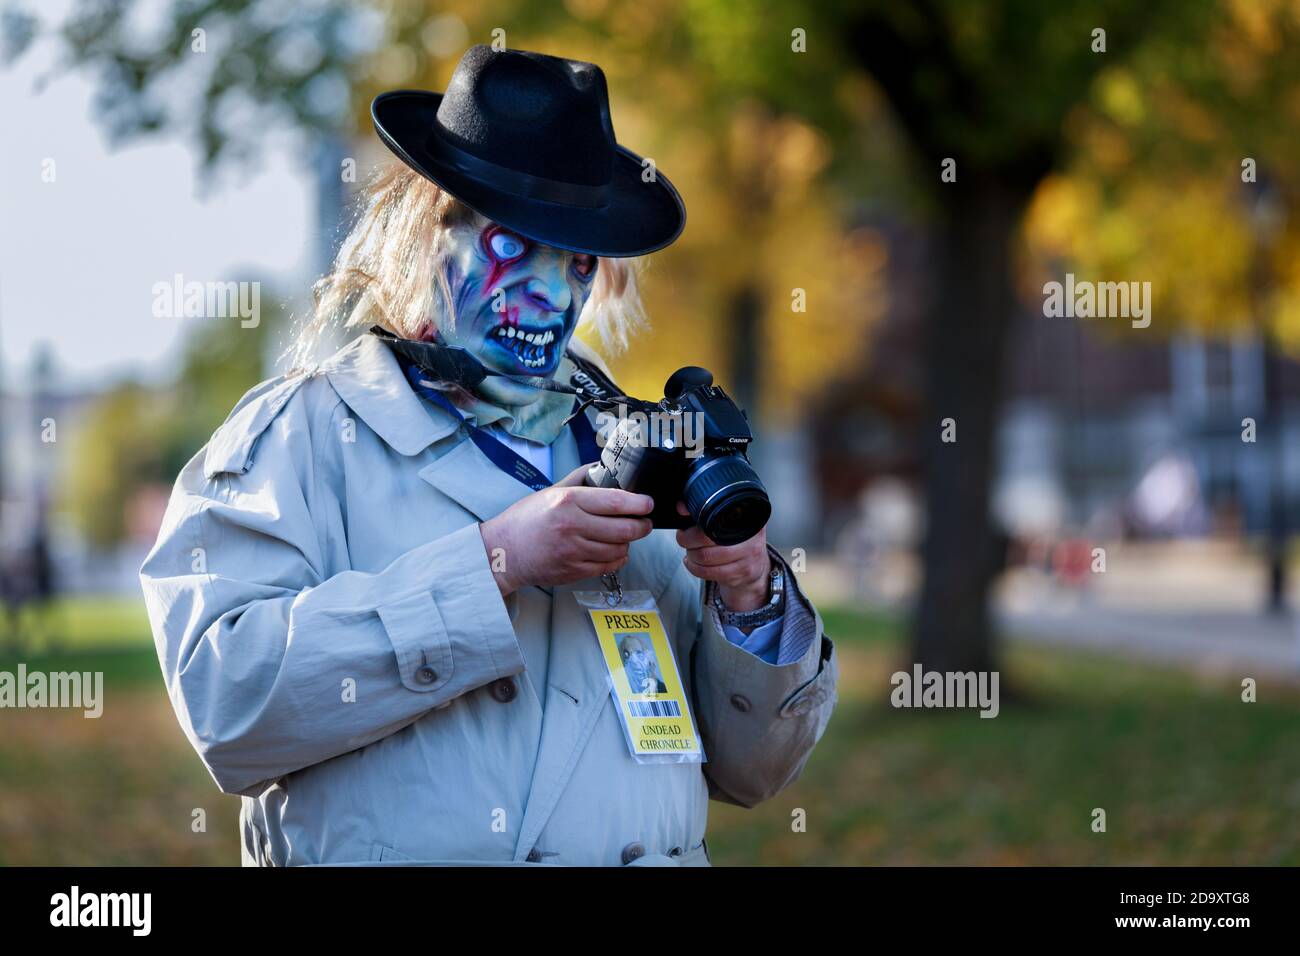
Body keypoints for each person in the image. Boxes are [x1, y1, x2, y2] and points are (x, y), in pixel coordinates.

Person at [140, 45, 837, 867]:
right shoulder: (297, 438)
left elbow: (753, 772)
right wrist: (495, 562)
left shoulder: (634, 446)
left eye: (578, 261)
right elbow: (230, 710)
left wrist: (748, 595)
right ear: (423, 234)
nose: (554, 294)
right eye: (514, 246)